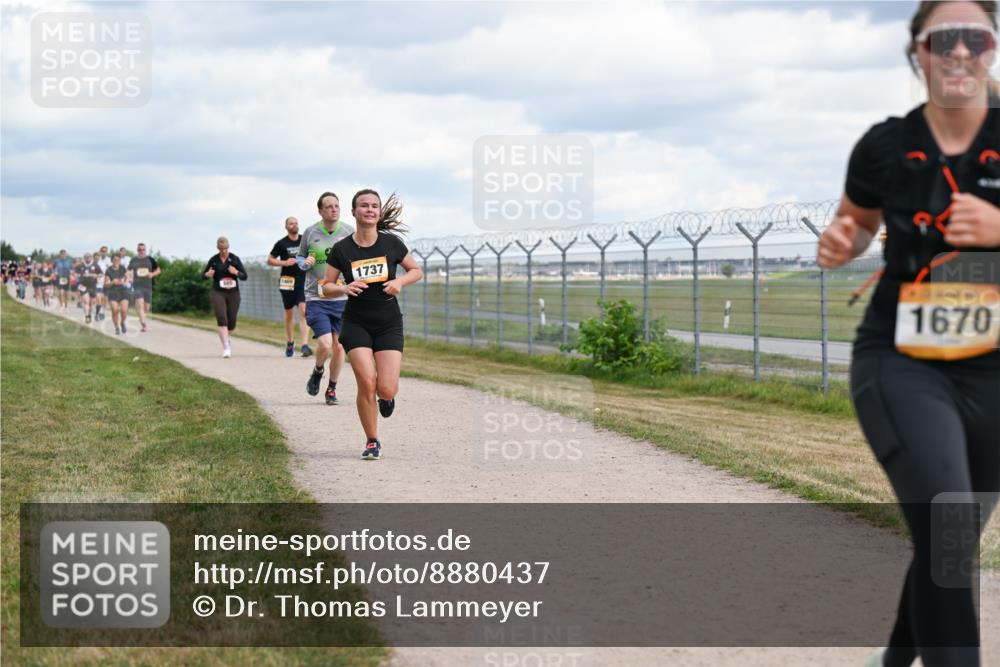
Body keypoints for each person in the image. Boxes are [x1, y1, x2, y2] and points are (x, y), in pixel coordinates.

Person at [818, 3, 1000, 665]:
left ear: (991, 48)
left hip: (993, 370)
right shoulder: (885, 145)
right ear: (917, 53)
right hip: (903, 358)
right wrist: (845, 240)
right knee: (948, 524)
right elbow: (856, 222)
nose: (958, 52)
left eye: (973, 37)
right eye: (941, 39)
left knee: (946, 543)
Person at [322, 190, 422, 460]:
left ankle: (387, 397)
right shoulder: (342, 249)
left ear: (379, 212)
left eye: (374, 206)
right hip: (356, 323)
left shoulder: (391, 244)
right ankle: (372, 440)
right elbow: (325, 287)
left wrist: (399, 282)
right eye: (363, 206)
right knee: (366, 382)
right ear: (353, 212)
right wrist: (344, 287)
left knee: (386, 387)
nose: (369, 209)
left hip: (389, 322)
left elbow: (416, 270)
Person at [297, 193, 354, 404]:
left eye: (336, 206)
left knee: (340, 347)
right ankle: (318, 371)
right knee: (324, 344)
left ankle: (331, 389)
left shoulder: (349, 232)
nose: (333, 209)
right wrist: (305, 262)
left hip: (342, 299)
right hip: (316, 298)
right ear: (320, 210)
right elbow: (300, 257)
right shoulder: (310, 232)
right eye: (328, 206)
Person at [268, 216, 312, 357]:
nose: (294, 225)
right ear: (286, 226)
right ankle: (290, 341)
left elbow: (312, 255)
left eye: (296, 223)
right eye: (291, 223)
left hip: (303, 280)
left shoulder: (303, 240)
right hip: (287, 281)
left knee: (304, 310)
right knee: (289, 314)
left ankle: (305, 345)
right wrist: (285, 263)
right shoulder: (281, 243)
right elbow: (270, 260)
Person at [203, 236, 247, 358]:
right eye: (221, 248)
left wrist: (236, 272)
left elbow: (244, 276)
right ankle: (226, 348)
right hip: (218, 292)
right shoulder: (214, 260)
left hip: (233, 293)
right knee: (222, 319)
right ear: (218, 248)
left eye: (226, 248)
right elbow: (204, 275)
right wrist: (208, 275)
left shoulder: (235, 259)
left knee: (231, 322)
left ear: (228, 247)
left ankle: (227, 337)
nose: (224, 251)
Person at [129, 242, 160, 332]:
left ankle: (141, 315)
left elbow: (158, 270)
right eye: (140, 249)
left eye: (143, 249)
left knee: (146, 308)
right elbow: (129, 271)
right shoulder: (134, 260)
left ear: (145, 250)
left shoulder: (150, 259)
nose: (141, 251)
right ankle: (144, 324)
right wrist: (130, 278)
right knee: (140, 304)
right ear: (137, 250)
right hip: (137, 285)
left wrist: (152, 274)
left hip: (148, 286)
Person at [103, 253, 130, 335]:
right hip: (112, 292)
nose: (116, 261)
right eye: (114, 260)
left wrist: (125, 282)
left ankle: (122, 323)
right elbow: (106, 284)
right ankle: (117, 327)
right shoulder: (108, 270)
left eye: (118, 260)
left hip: (123, 291)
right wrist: (112, 282)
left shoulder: (122, 268)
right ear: (112, 261)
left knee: (124, 310)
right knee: (115, 310)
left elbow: (128, 277)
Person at [75, 252, 103, 324]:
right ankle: (87, 316)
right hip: (83, 286)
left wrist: (96, 276)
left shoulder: (95, 265)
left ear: (91, 257)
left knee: (91, 303)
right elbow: (74, 272)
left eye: (89, 257)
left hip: (93, 286)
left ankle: (89, 315)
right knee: (86, 302)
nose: (87, 258)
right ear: (84, 258)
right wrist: (77, 276)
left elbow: (101, 274)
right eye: (86, 257)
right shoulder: (81, 265)